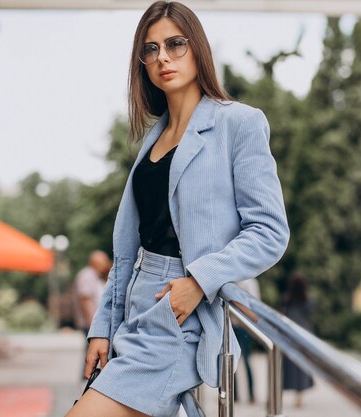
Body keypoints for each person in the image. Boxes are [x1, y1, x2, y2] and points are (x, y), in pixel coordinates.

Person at [66, 2, 289, 416]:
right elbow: (128, 251)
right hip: (133, 311)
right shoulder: (153, 137)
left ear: (197, 48)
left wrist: (200, 280)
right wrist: (102, 328)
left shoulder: (238, 123)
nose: (162, 57)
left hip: (180, 317)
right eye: (150, 50)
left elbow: (270, 231)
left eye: (175, 44)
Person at [73, 250, 112, 377]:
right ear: (95, 262)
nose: (106, 264)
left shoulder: (95, 275)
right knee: (91, 350)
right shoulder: (87, 275)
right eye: (104, 260)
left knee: (90, 349)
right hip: (90, 321)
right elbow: (85, 299)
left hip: (93, 320)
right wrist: (92, 322)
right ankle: (88, 375)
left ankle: (88, 375)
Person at [282, 273, 315, 408]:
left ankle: (281, 391)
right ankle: (299, 396)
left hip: (290, 333)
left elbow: (283, 313)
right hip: (304, 334)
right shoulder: (308, 300)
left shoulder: (286, 299)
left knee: (289, 365)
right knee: (302, 366)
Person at [232, 278, 260, 403]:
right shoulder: (231, 279)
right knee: (232, 362)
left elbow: (255, 304)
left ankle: (251, 394)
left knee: (247, 360)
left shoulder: (251, 282)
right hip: (231, 324)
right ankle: (235, 394)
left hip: (245, 326)